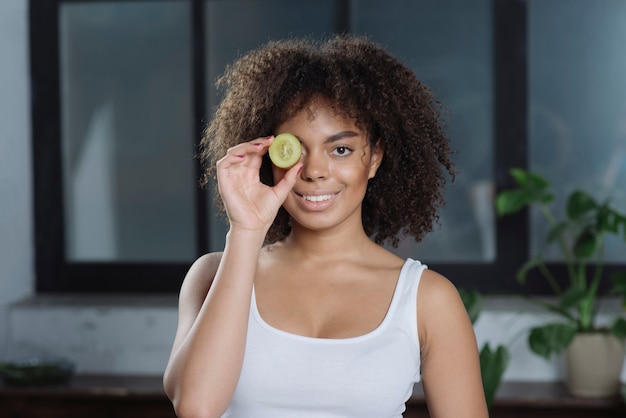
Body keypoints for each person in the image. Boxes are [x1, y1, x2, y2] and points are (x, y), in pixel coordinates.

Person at [163, 34, 488, 418]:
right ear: (268, 156)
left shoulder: (428, 300)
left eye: (341, 149)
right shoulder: (211, 276)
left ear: (375, 157)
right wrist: (247, 231)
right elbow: (196, 407)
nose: (315, 171)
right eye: (295, 150)